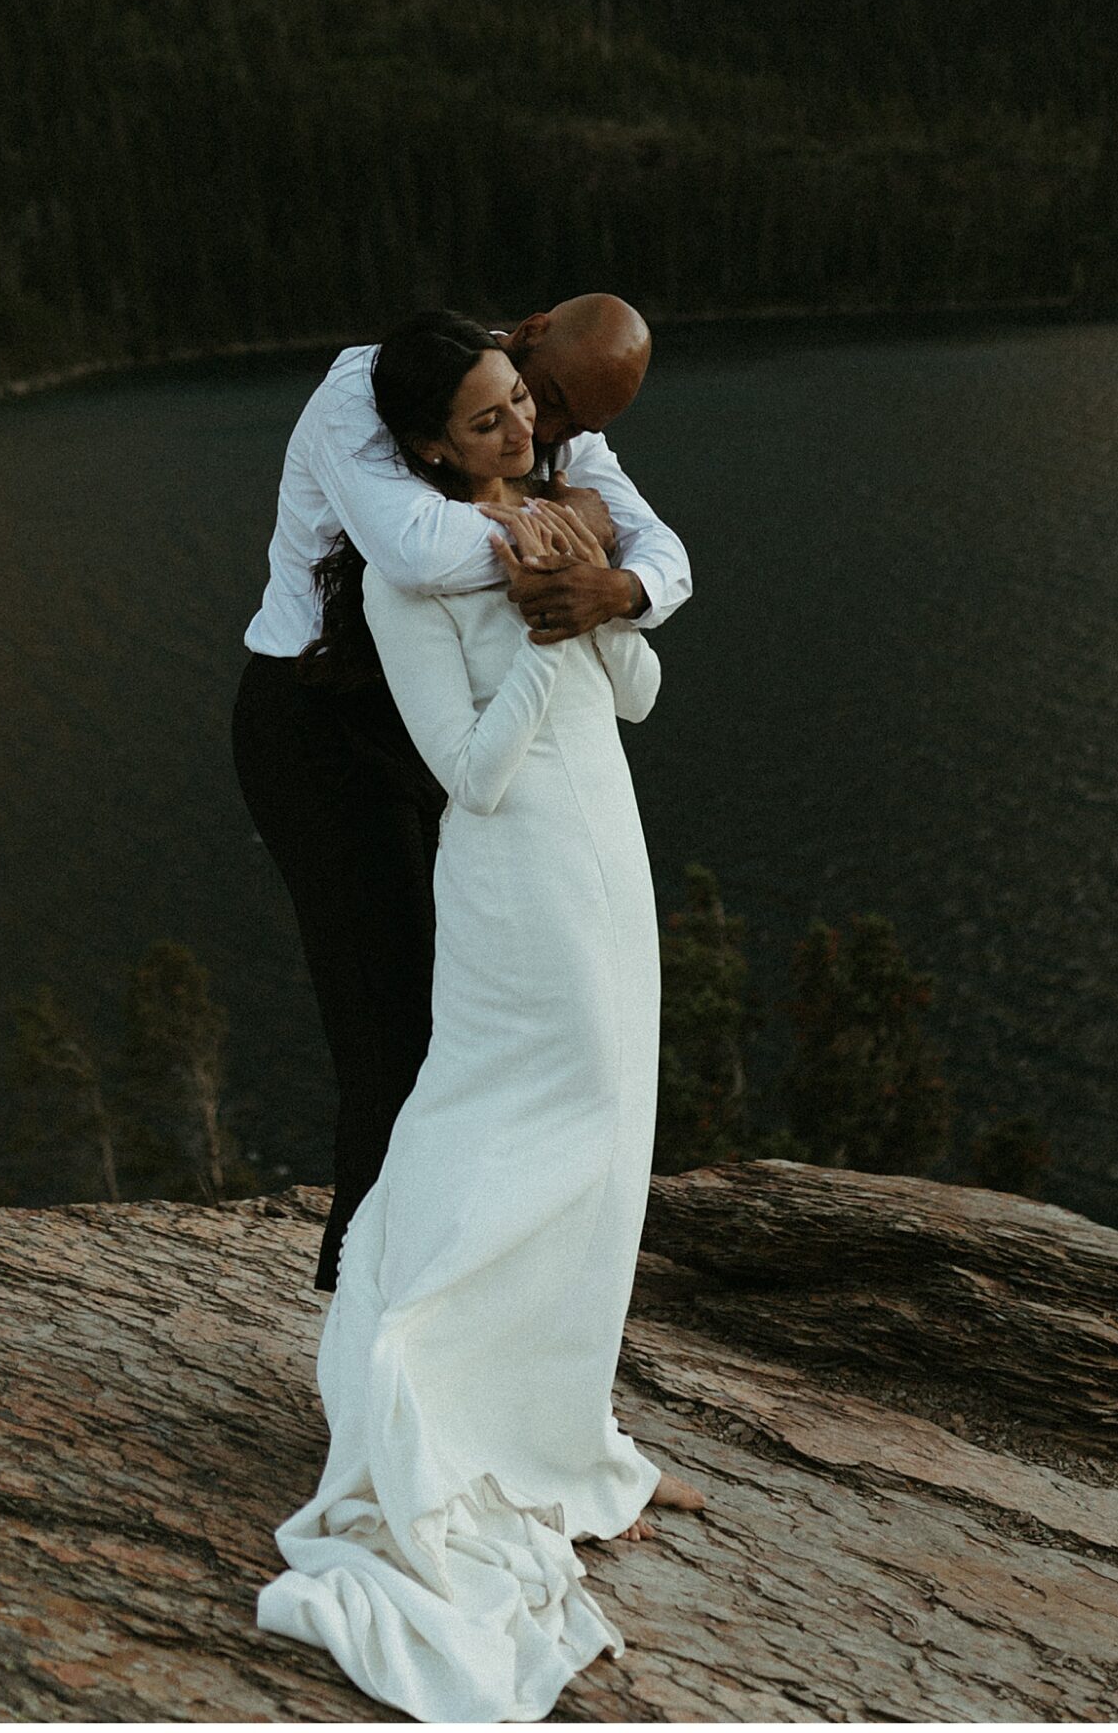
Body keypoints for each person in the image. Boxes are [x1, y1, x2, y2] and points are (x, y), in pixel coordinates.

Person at [256, 312, 704, 1723]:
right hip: (508, 864)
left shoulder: (553, 477)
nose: (528, 437)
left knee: (607, 1130)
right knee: (465, 1099)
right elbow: (471, 769)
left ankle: (558, 1433)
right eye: (498, 421)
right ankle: (403, 1379)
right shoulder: (400, 518)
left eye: (534, 415)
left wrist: (600, 595)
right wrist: (534, 602)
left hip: (601, 864)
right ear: (436, 442)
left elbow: (633, 679)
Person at [232, 296, 691, 1291]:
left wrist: (617, 586)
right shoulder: (363, 393)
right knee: (394, 1037)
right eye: (545, 403)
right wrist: (572, 523)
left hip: (444, 730)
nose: (549, 435)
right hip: (322, 727)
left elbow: (668, 558)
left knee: (486, 1034)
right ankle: (365, 1335)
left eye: (573, 426)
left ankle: (460, 1305)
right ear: (525, 333)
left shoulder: (536, 410)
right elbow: (412, 552)